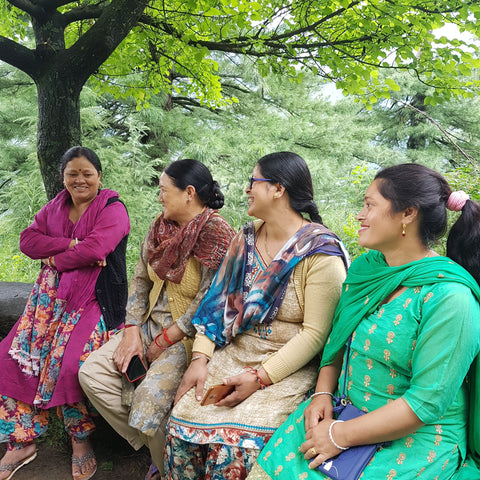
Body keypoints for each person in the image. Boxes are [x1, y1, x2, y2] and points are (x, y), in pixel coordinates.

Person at [248, 163, 480, 480]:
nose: (360, 215)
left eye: (370, 205)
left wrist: (339, 436)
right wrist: (322, 394)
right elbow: (338, 340)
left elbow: (425, 403)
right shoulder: (367, 269)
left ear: (408, 214)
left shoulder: (450, 298)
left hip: (411, 439)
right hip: (345, 410)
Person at [165, 151, 349, 480]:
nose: (247, 190)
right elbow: (218, 302)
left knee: (241, 444)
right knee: (182, 426)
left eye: (253, 182)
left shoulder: (320, 253)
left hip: (285, 367)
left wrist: (259, 377)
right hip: (235, 352)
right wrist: (200, 358)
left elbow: (317, 334)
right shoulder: (247, 238)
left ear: (278, 189)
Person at [79, 159, 235, 480]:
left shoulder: (217, 235)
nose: (160, 197)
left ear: (188, 193)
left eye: (164, 190)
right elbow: (139, 280)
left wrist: (165, 340)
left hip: (186, 337)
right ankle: (155, 447)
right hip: (148, 326)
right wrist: (133, 329)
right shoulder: (159, 227)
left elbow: (210, 300)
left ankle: (166, 467)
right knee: (91, 373)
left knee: (148, 399)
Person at [0, 146, 130, 480]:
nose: (80, 180)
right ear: (63, 177)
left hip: (94, 301)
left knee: (70, 363)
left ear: (100, 176)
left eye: (87, 173)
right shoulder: (56, 207)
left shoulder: (113, 209)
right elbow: (28, 241)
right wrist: (72, 246)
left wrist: (55, 258)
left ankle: (81, 442)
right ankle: (22, 440)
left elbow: (98, 248)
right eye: (72, 173)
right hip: (47, 301)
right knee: (13, 356)